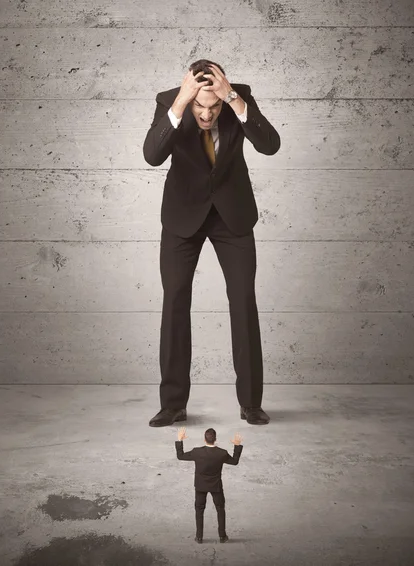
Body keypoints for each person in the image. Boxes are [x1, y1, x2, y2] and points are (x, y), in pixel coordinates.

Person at [143, 58, 281, 427]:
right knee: (174, 302)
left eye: (213, 106)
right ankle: (173, 404)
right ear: (190, 97)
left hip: (232, 216)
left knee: (243, 301)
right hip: (182, 215)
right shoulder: (170, 100)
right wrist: (178, 104)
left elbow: (270, 145)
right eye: (199, 106)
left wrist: (233, 99)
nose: (206, 114)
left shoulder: (239, 99)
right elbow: (152, 156)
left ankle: (251, 403)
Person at [175, 426, 243, 543]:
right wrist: (237, 446)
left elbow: (180, 456)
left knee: (199, 510)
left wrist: (180, 440)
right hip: (216, 486)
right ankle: (222, 536)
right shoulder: (221, 453)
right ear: (215, 439)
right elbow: (235, 461)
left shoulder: (197, 452)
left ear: (204, 439)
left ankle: (199, 537)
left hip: (200, 486)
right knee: (220, 509)